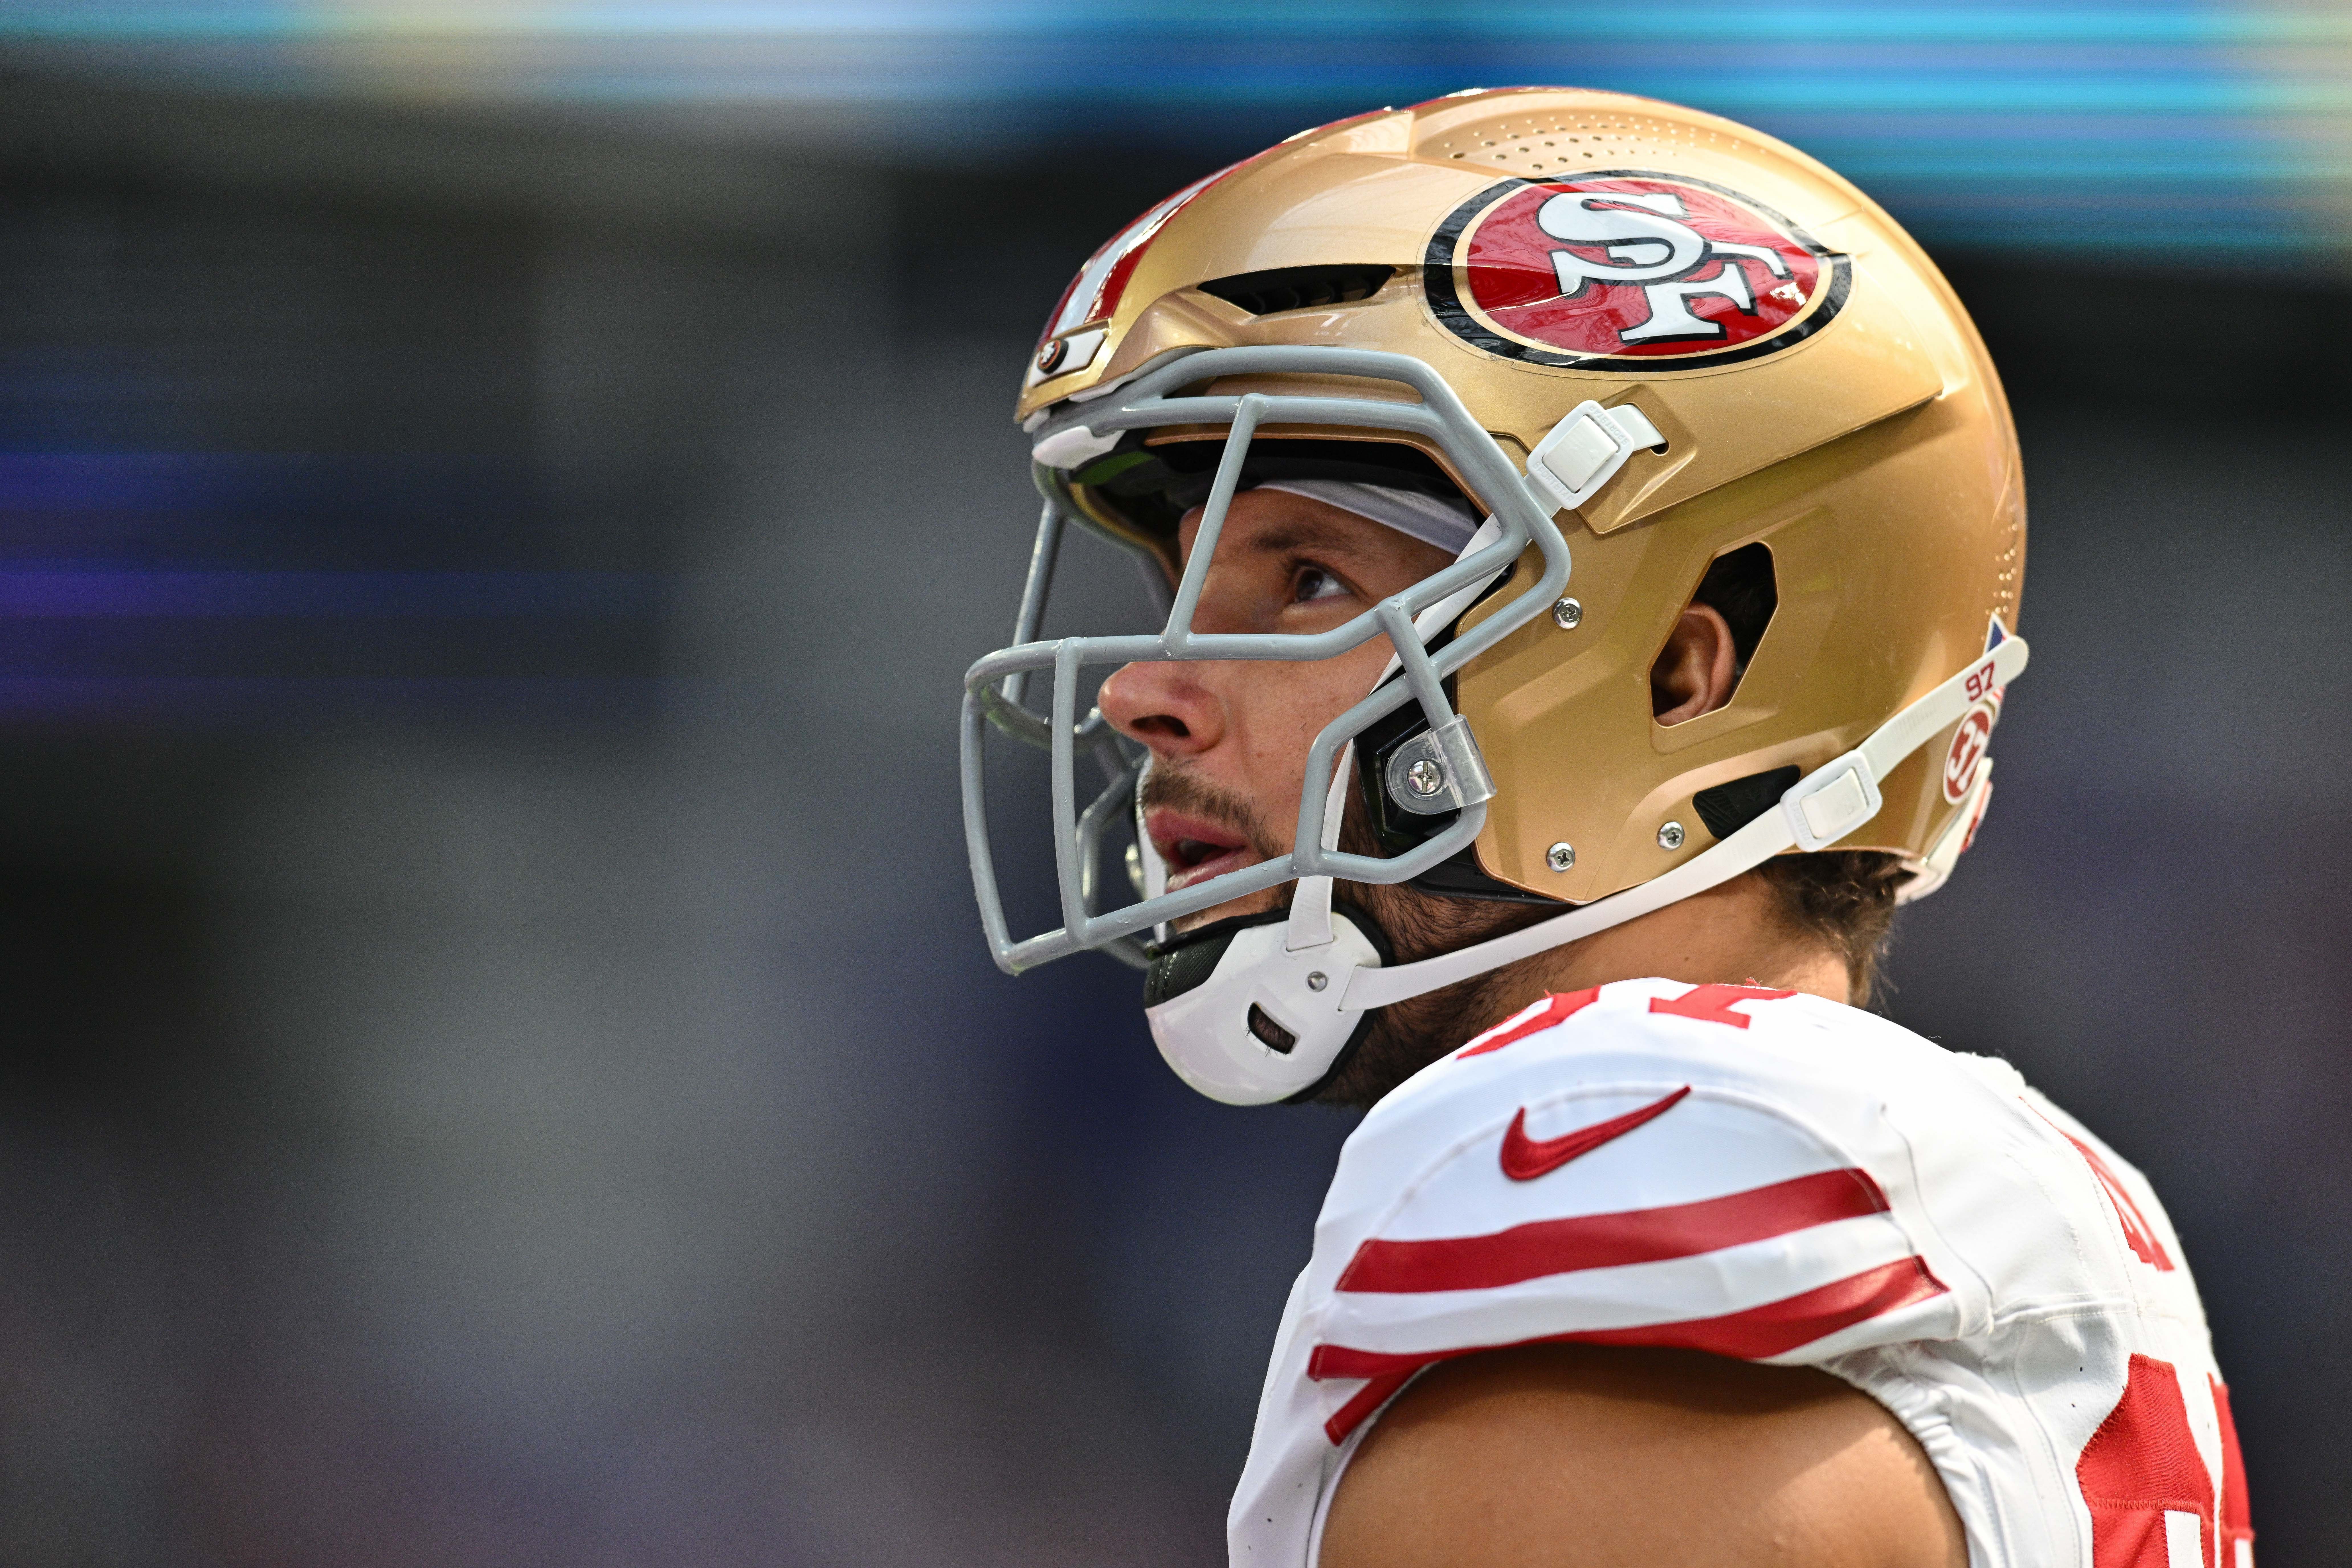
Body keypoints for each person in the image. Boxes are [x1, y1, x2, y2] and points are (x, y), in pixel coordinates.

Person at [961, 87, 2251, 1567]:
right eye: (1177, 591)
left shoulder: (1616, 1174)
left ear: (1687, 672)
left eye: (1309, 579)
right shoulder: (1957, 1191)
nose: (1146, 692)